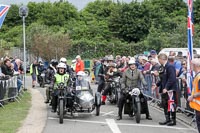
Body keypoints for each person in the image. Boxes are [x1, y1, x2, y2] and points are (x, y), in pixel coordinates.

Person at [156, 53, 177, 126]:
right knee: (165, 104)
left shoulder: (169, 66)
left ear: (161, 59)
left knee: (171, 104)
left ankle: (173, 120)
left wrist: (166, 87)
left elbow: (172, 78)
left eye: (159, 59)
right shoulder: (162, 67)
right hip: (164, 89)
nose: (158, 61)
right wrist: (156, 85)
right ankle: (167, 119)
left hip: (170, 89)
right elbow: (162, 78)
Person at [188, 58, 200, 133]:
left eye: (191, 65)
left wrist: (192, 96)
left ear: (195, 65)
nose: (190, 66)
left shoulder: (199, 77)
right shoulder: (197, 76)